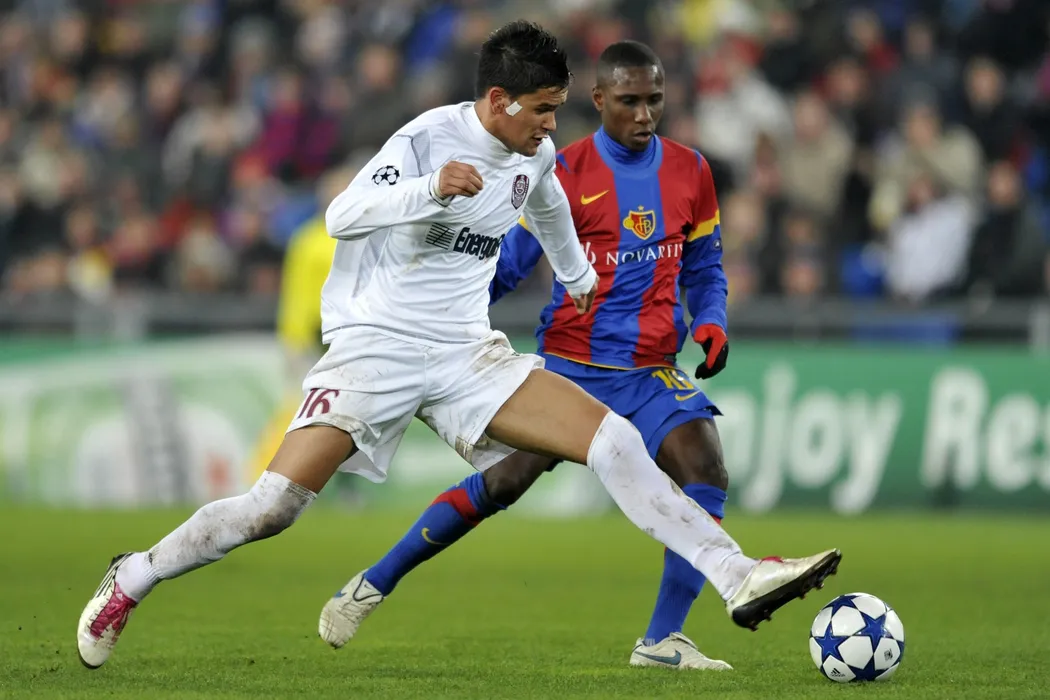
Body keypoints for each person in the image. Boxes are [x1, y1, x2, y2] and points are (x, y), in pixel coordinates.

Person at [76, 21, 841, 670]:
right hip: (375, 348)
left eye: (558, 110)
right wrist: (431, 189)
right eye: (542, 110)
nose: (552, 127)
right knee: (270, 509)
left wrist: (576, 275)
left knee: (611, 439)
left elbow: (548, 206)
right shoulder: (425, 140)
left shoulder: (536, 152)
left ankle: (736, 575)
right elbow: (341, 215)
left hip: (465, 353)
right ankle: (134, 575)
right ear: (499, 101)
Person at [318, 39, 753, 671]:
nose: (644, 114)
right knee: (504, 481)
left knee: (705, 468)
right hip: (571, 365)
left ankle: (663, 639)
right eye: (629, 101)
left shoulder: (692, 171)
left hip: (650, 370)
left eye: (654, 100)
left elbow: (705, 264)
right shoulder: (559, 168)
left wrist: (710, 319)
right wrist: (442, 332)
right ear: (598, 99)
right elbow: (505, 264)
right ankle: (375, 581)